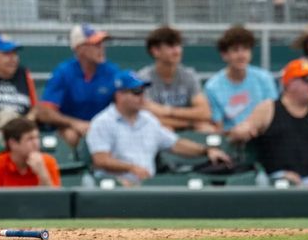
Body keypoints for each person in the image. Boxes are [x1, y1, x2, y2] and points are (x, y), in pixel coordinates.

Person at [87, 70, 232, 186]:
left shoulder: (148, 120)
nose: (142, 96)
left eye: (143, 91)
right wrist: (131, 168)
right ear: (120, 95)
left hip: (147, 185)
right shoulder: (102, 122)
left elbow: (175, 144)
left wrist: (207, 150)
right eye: (136, 92)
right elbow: (101, 160)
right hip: (113, 186)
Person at [228, 59, 308, 186]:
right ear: (290, 82)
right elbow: (242, 130)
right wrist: (242, 131)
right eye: (307, 79)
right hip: (275, 180)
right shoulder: (268, 108)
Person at [38, 24, 120, 147]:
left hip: (105, 128)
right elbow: (45, 112)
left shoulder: (111, 71)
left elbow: (127, 99)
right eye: (96, 45)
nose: (101, 49)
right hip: (72, 128)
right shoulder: (64, 72)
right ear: (79, 48)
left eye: (102, 44)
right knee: (71, 136)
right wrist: (75, 124)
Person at [135, 26, 213, 132]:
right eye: (171, 46)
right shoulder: (143, 78)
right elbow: (148, 118)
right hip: (159, 133)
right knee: (165, 129)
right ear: (155, 51)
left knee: (207, 130)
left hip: (187, 132)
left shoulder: (189, 75)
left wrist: (167, 111)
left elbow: (204, 112)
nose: (177, 51)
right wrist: (190, 123)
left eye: (178, 45)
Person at [203, 25, 278, 135]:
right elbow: (218, 126)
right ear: (224, 55)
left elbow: (274, 115)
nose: (241, 55)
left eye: (246, 49)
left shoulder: (264, 78)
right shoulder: (212, 87)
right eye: (235, 50)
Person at [0, 117, 61, 188]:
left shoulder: (48, 162)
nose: (36, 143)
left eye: (37, 138)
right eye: (30, 139)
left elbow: (56, 201)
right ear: (12, 143)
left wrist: (43, 174)